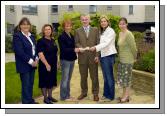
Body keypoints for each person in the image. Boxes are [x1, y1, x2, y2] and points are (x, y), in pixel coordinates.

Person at [90, 15, 117, 101]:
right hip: (103, 56)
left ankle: (110, 96)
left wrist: (95, 47)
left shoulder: (111, 31)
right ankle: (106, 94)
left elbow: (106, 43)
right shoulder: (103, 31)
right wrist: (98, 54)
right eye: (101, 22)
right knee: (105, 77)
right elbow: (101, 44)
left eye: (104, 21)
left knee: (109, 77)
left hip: (108, 56)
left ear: (108, 22)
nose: (103, 23)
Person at [13, 17, 39, 104]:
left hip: (33, 64)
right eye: (23, 24)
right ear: (20, 26)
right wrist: (31, 62)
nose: (26, 26)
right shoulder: (17, 36)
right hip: (24, 65)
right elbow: (19, 51)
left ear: (29, 26)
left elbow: (35, 49)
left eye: (27, 24)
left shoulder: (32, 36)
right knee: (26, 84)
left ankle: (30, 100)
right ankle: (26, 103)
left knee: (31, 84)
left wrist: (36, 59)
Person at [75, 14, 100, 101]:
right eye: (83, 19)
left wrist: (97, 55)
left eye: (86, 19)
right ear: (81, 21)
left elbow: (98, 43)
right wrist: (80, 47)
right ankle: (84, 92)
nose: (84, 21)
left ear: (89, 20)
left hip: (93, 57)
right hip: (82, 57)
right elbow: (76, 42)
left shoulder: (95, 30)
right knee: (83, 77)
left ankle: (95, 93)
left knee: (94, 77)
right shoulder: (77, 31)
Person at [117, 17, 137, 103]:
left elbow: (134, 48)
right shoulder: (120, 33)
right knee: (123, 79)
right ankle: (124, 94)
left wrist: (135, 57)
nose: (122, 25)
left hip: (128, 60)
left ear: (126, 24)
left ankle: (126, 96)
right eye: (120, 24)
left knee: (127, 79)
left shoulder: (129, 34)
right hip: (122, 60)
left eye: (123, 23)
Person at [37, 24, 58, 104]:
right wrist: (46, 64)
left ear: (51, 30)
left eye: (49, 29)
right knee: (44, 80)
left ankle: (50, 96)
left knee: (51, 80)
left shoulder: (53, 40)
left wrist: (57, 63)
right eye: (46, 29)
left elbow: (56, 52)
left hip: (53, 64)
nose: (47, 31)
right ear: (43, 31)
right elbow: (40, 54)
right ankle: (45, 98)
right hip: (44, 65)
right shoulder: (41, 41)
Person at [58, 20, 78, 101]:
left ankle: (68, 95)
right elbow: (63, 49)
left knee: (68, 79)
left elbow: (74, 46)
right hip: (65, 60)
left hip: (72, 59)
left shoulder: (71, 35)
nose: (68, 27)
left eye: (69, 26)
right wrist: (74, 49)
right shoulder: (61, 37)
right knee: (65, 79)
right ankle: (63, 96)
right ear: (64, 27)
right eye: (66, 26)